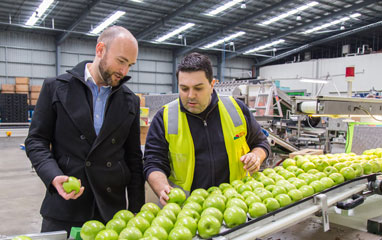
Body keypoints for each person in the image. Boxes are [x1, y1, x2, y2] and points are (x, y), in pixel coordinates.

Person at [25, 26, 145, 235]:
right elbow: (36, 141)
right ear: (100, 50)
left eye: (130, 65)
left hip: (111, 214)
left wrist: (136, 210)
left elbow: (134, 160)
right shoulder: (56, 88)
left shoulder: (130, 101)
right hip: (65, 207)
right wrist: (53, 176)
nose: (124, 72)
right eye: (121, 61)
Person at [143, 52, 270, 206]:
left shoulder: (235, 109)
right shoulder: (165, 117)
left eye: (198, 88)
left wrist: (256, 156)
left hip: (235, 204)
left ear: (212, 84)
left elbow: (261, 143)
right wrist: (162, 188)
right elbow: (153, 162)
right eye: (184, 88)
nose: (191, 95)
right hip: (186, 209)